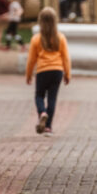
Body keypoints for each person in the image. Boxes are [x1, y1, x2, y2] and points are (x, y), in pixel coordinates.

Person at [26, 7, 71, 135]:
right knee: (52, 98)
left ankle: (42, 112)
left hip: (42, 71)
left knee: (39, 95)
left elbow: (31, 60)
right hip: (57, 71)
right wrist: (67, 74)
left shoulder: (36, 39)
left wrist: (28, 74)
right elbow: (66, 58)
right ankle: (48, 127)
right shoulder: (60, 38)